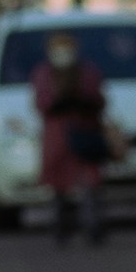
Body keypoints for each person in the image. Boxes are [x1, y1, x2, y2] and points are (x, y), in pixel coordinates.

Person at [33, 29, 116, 247]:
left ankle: (93, 226)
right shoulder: (44, 73)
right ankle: (62, 228)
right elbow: (42, 103)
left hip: (85, 134)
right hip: (57, 138)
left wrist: (83, 101)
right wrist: (61, 101)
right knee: (59, 187)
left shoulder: (87, 71)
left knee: (90, 184)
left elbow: (99, 99)